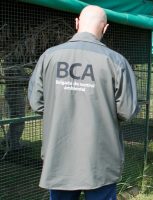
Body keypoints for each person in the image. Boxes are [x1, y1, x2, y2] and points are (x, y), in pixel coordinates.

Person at [28, 5, 139, 200]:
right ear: (105, 28)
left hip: (59, 156)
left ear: (77, 23)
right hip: (100, 159)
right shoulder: (116, 61)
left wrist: (60, 106)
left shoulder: (49, 56)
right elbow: (127, 111)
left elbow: (37, 103)